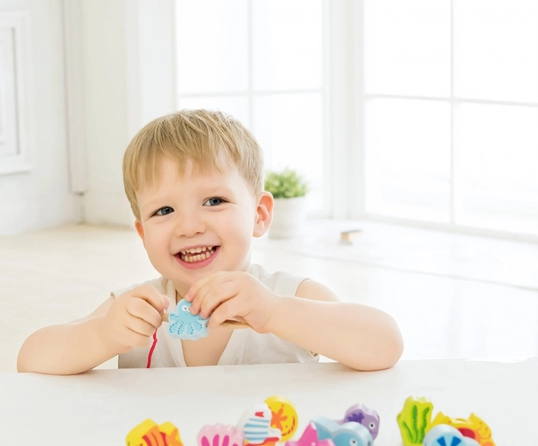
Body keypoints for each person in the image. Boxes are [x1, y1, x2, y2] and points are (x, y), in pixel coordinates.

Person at [17, 110, 404, 375]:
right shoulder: (134, 308)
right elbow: (31, 361)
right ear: (142, 233)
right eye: (163, 211)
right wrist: (102, 335)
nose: (188, 226)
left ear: (259, 214)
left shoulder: (289, 295)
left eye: (214, 201)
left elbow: (385, 344)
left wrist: (274, 312)